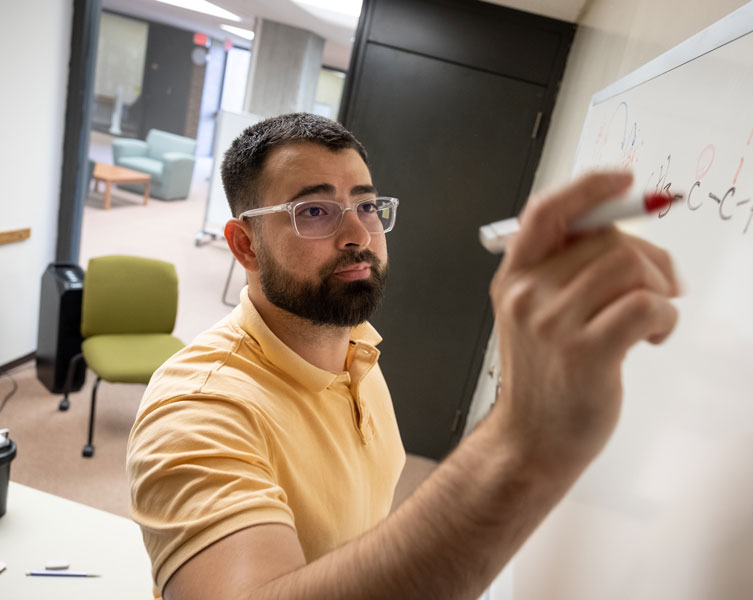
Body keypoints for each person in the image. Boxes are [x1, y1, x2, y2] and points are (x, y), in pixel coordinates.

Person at [126, 112, 680, 600]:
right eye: (314, 211)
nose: (357, 233)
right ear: (245, 244)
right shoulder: (196, 409)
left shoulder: (357, 345)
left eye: (366, 204)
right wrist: (522, 436)